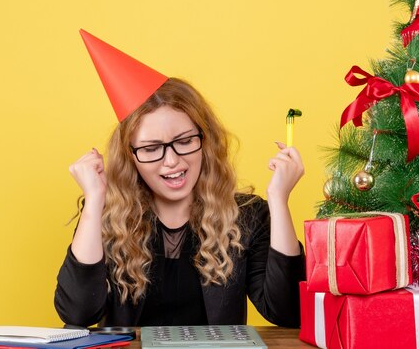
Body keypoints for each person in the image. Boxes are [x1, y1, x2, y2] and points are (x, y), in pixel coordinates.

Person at [54, 30, 305, 327]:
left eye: (184, 141)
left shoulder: (247, 215)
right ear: (130, 156)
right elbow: (78, 314)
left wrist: (279, 201)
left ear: (205, 140)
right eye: (151, 148)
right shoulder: (109, 216)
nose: (172, 161)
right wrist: (95, 201)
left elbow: (289, 313)